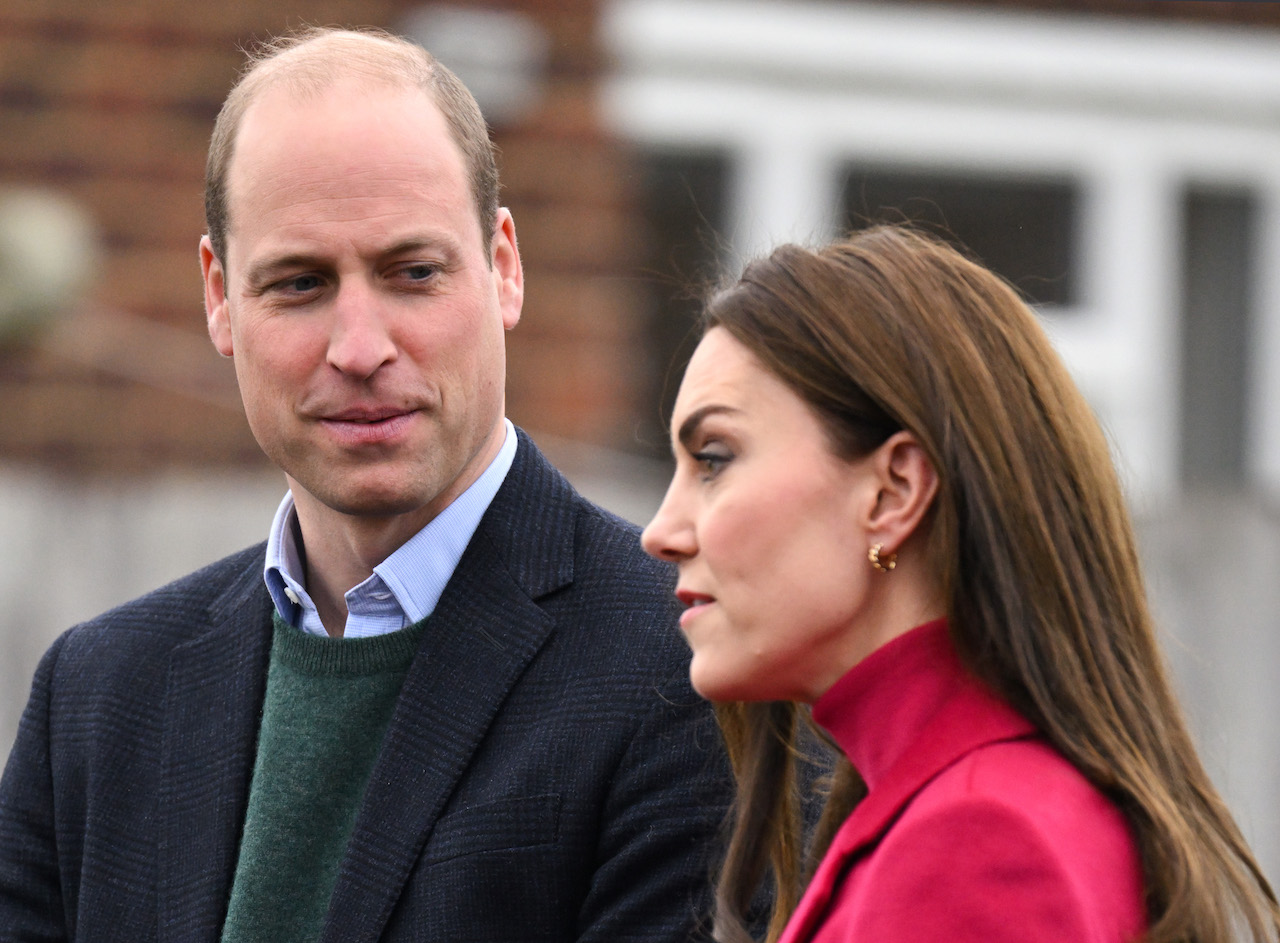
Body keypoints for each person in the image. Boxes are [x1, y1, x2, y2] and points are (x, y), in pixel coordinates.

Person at [0, 27, 728, 942]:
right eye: (299, 284)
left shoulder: (687, 672)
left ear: (504, 266)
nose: (359, 347)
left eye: (412, 273)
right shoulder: (96, 696)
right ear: (219, 297)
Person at [641, 224, 1280, 943]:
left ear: (893, 492)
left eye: (715, 458)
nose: (660, 530)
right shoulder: (964, 806)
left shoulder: (976, 838)